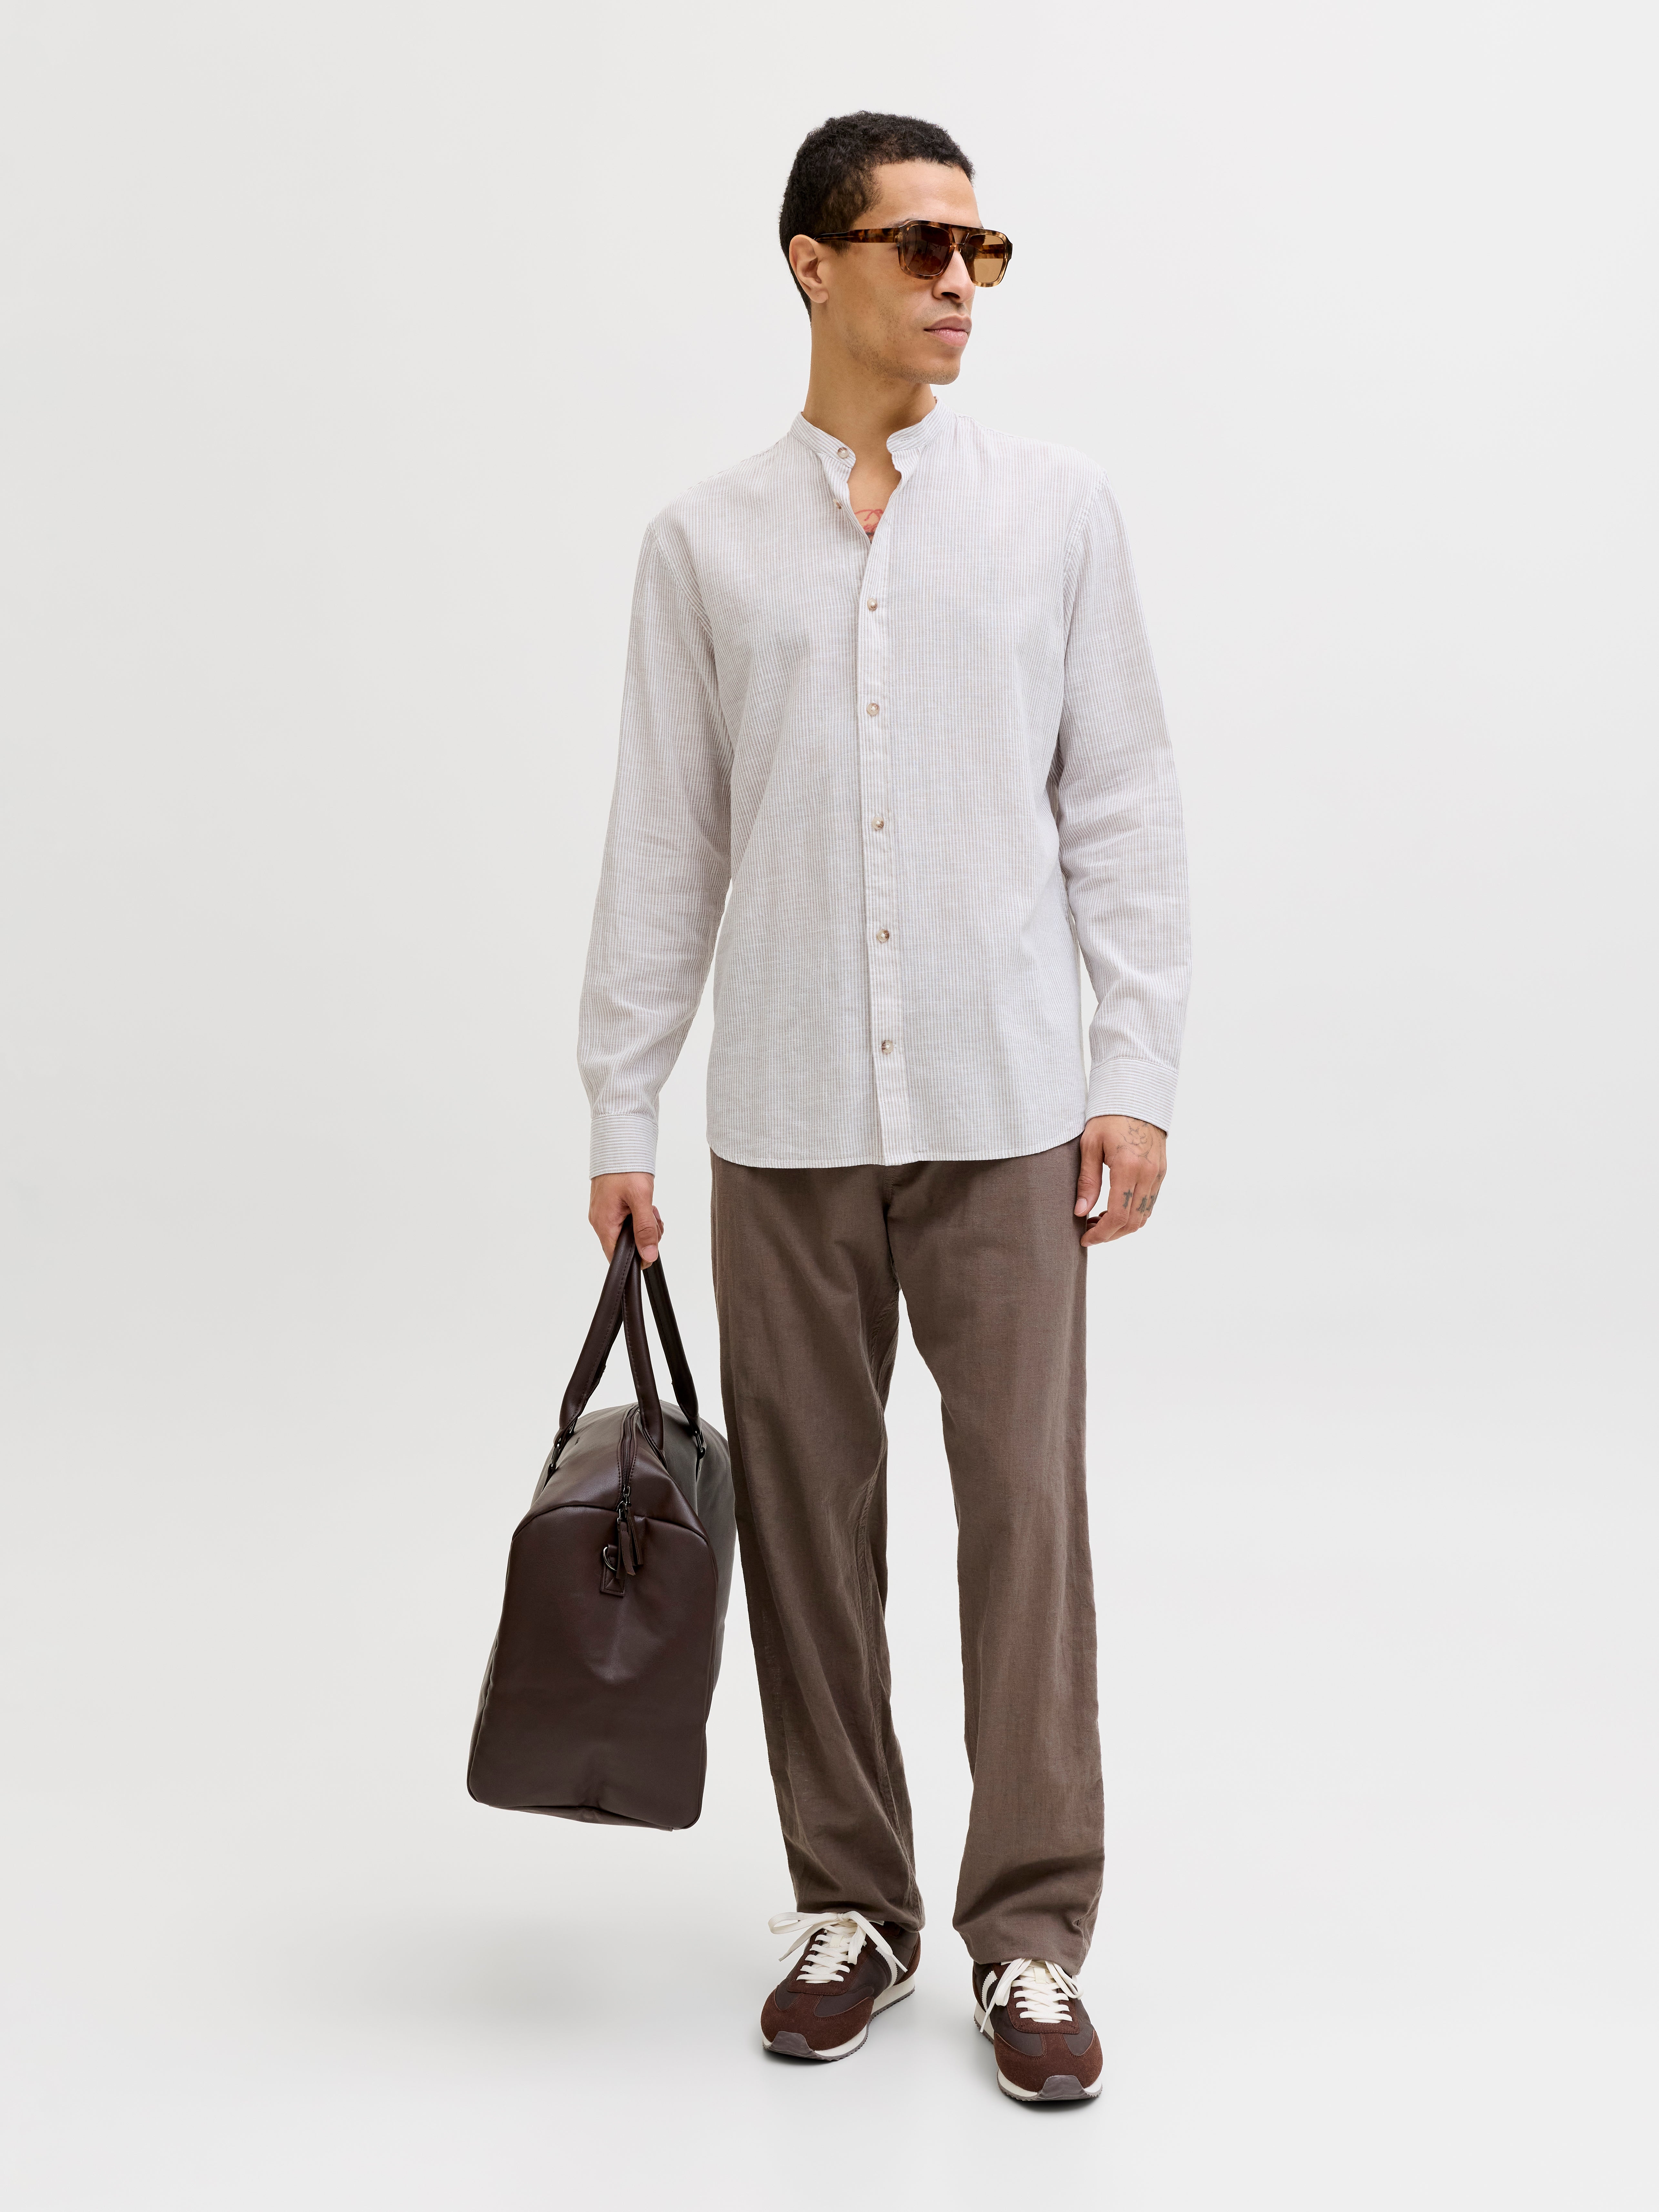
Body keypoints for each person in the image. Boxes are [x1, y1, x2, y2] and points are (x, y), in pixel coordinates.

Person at [577, 109, 1190, 2104]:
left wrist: (1132, 1068)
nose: (957, 282)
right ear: (811, 264)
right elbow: (663, 841)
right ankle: (850, 1898)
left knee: (1025, 1521)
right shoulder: (702, 545)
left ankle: (1030, 1934)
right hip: (781, 1118)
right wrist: (620, 1102)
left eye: (979, 249)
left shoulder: (1057, 513)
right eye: (919, 244)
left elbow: (1121, 801)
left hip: (1008, 1105)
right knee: (807, 1533)